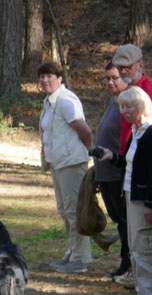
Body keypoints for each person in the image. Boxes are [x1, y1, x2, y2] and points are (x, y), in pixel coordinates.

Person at [95, 86, 152, 295]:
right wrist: (111, 157)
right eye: (122, 107)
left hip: (144, 199)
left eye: (129, 107)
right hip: (130, 193)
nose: (125, 112)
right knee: (136, 245)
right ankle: (144, 293)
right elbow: (132, 164)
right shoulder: (138, 130)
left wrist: (150, 203)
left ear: (141, 106)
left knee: (146, 246)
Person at [112, 43, 152, 290]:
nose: (125, 70)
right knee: (140, 230)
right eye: (121, 67)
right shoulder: (128, 93)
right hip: (132, 167)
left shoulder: (151, 93)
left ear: (141, 65)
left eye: (128, 66)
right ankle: (142, 275)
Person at [37, 61, 93, 274]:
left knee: (74, 211)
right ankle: (72, 251)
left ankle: (80, 258)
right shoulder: (50, 101)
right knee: (64, 210)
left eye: (49, 76)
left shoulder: (66, 101)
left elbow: (84, 130)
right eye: (41, 76)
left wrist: (88, 152)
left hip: (71, 163)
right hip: (58, 163)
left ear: (59, 78)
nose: (44, 80)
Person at [94, 62, 132, 281]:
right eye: (107, 78)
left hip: (119, 172)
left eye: (114, 78)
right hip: (105, 170)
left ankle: (128, 264)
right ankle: (125, 262)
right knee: (119, 220)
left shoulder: (128, 102)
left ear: (124, 77)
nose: (110, 82)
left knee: (126, 221)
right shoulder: (112, 101)